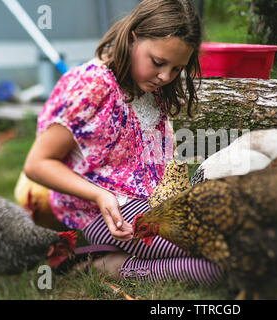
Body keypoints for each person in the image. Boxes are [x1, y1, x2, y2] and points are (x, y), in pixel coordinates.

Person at [23, 0, 222, 286]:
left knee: (232, 249)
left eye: (177, 68)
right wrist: (100, 196)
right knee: (216, 265)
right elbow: (37, 164)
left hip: (152, 204)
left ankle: (124, 258)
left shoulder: (153, 87)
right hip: (107, 211)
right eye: (158, 62)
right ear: (132, 38)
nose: (166, 76)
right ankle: (112, 266)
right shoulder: (93, 86)